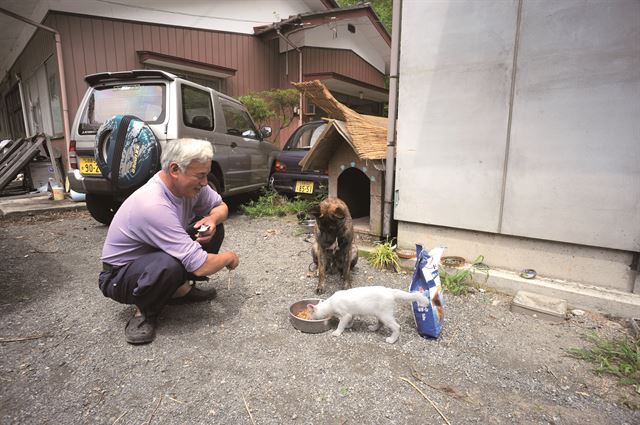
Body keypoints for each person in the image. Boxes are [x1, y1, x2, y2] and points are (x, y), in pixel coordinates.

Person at [98, 138, 240, 345]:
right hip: (119, 275)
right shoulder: (153, 203)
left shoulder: (188, 187)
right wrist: (229, 257)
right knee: (169, 266)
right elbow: (201, 266)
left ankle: (180, 290)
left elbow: (221, 207)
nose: (204, 182)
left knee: (212, 228)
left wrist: (212, 219)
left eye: (206, 175)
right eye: (200, 176)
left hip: (153, 256)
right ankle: (144, 312)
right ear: (175, 169)